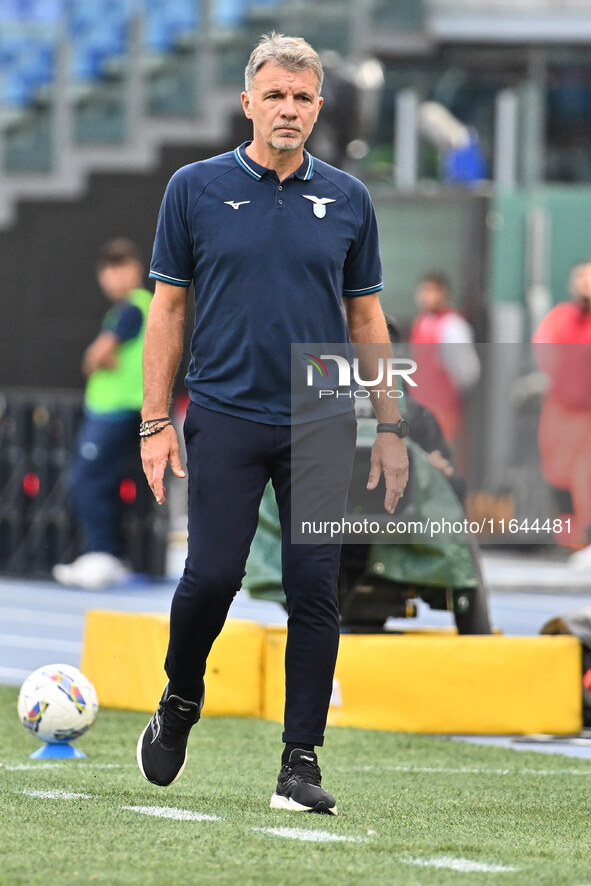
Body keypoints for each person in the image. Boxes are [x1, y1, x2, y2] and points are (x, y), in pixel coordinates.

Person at [136, 33, 408, 815]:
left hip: (321, 419)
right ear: (247, 102)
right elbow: (169, 311)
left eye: (302, 96)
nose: (288, 109)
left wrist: (388, 427)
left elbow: (366, 321)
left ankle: (299, 760)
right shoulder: (193, 188)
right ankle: (180, 700)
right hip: (222, 412)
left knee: (314, 588)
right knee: (213, 575)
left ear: (319, 107)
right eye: (275, 95)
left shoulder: (350, 199)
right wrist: (156, 421)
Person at [53, 239, 152, 589]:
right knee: (102, 481)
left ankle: (104, 554)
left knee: (87, 480)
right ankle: (107, 554)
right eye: (109, 267)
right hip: (117, 409)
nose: (114, 274)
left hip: (117, 409)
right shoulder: (128, 308)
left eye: (121, 265)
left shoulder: (132, 308)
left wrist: (99, 356)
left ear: (136, 269)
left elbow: (96, 357)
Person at [532, 261, 591, 569]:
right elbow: (545, 352)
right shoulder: (560, 318)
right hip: (560, 410)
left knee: (586, 478)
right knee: (558, 473)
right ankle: (570, 541)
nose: (585, 283)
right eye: (580, 277)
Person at [408, 272, 480, 447]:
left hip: (442, 407)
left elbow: (467, 370)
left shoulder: (452, 326)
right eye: (425, 291)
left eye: (434, 291)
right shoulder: (422, 322)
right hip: (420, 406)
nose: (428, 296)